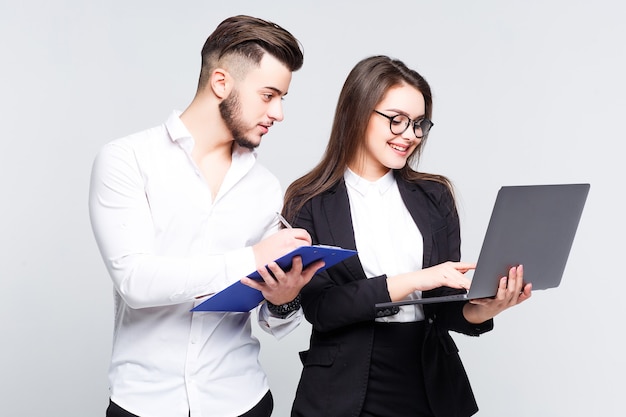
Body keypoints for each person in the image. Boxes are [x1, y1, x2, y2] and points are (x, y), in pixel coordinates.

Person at [89, 15, 323, 417]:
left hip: (242, 400)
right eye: (269, 95)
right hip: (144, 403)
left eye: (282, 98)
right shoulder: (127, 160)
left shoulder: (265, 186)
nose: (279, 113)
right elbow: (135, 282)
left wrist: (284, 299)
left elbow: (273, 319)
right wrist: (252, 257)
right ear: (221, 83)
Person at [282, 55, 533, 417]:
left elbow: (444, 308)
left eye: (418, 124)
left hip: (430, 384)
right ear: (357, 112)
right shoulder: (309, 202)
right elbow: (323, 310)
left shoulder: (435, 195)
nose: (410, 136)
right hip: (342, 390)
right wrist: (417, 279)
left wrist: (483, 309)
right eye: (396, 121)